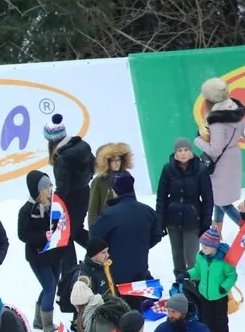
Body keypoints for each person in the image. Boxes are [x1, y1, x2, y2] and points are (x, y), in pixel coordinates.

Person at [89, 173, 162, 289]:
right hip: (140, 268)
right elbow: (157, 235)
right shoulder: (148, 211)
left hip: (115, 272)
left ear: (115, 191)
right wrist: (141, 245)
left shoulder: (108, 215)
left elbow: (94, 236)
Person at [155, 137, 213, 280]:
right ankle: (180, 283)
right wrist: (160, 221)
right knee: (177, 257)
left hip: (193, 219)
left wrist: (206, 222)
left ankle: (194, 284)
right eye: (180, 150)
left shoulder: (200, 169)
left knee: (191, 258)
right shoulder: (168, 169)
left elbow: (208, 199)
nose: (183, 153)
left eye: (186, 150)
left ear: (191, 152)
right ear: (175, 153)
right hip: (173, 219)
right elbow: (161, 197)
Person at [195, 77, 245, 228]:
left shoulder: (217, 120)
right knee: (219, 199)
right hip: (233, 158)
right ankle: (216, 232)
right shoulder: (235, 111)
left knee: (222, 202)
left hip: (221, 165)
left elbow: (215, 150)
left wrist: (198, 140)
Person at [47, 115, 96, 274]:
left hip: (70, 201)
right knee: (77, 231)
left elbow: (62, 188)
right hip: (85, 193)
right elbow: (94, 167)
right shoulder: (83, 146)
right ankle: (103, 250)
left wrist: (54, 208)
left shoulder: (62, 159)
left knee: (65, 238)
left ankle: (71, 274)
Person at [17, 170, 63, 332]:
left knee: (51, 285)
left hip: (54, 253)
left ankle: (38, 320)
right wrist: (43, 235)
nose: (51, 189)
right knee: (49, 287)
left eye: (50, 185)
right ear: (38, 190)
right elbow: (22, 235)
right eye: (46, 187)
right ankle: (48, 324)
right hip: (38, 255)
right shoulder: (26, 210)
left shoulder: (54, 204)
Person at [86, 142, 133, 228]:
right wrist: (93, 230)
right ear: (106, 162)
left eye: (118, 160)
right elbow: (93, 210)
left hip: (126, 221)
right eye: (113, 160)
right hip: (108, 224)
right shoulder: (98, 181)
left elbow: (133, 200)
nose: (117, 163)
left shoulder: (126, 176)